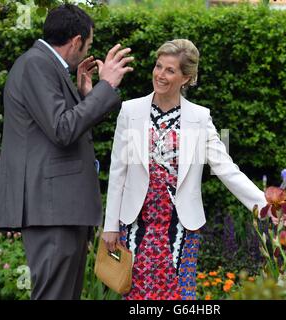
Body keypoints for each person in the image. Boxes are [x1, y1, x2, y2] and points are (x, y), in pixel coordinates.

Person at [102, 39, 267, 300]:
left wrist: (265, 205)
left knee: (178, 297)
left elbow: (225, 168)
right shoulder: (129, 111)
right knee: (135, 296)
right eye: (158, 66)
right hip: (135, 224)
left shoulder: (200, 118)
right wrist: (110, 224)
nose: (160, 75)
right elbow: (117, 170)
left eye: (170, 70)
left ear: (186, 78)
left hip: (181, 227)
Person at [0, 4, 133, 300]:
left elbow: (62, 126)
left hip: (60, 209)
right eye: (88, 45)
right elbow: (62, 129)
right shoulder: (36, 64)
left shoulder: (47, 67)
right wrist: (107, 85)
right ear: (77, 41)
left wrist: (87, 95)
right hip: (51, 209)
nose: (87, 51)